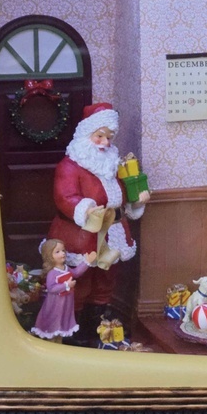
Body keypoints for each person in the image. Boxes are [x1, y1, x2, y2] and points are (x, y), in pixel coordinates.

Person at [47, 103, 150, 333]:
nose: (105, 143)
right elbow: (65, 197)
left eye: (109, 137)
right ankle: (74, 327)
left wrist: (136, 201)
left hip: (112, 232)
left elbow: (121, 194)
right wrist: (85, 208)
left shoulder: (112, 165)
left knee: (106, 279)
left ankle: (97, 325)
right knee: (81, 279)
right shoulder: (70, 166)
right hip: (83, 235)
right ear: (86, 135)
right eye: (99, 136)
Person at [30, 239, 96, 342]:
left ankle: (59, 339)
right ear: (49, 256)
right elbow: (51, 288)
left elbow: (76, 273)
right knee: (54, 321)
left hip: (66, 302)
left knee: (62, 322)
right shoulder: (52, 272)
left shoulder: (65, 268)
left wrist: (87, 262)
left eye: (63, 250)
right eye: (57, 252)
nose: (62, 253)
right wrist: (66, 285)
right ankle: (51, 341)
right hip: (55, 303)